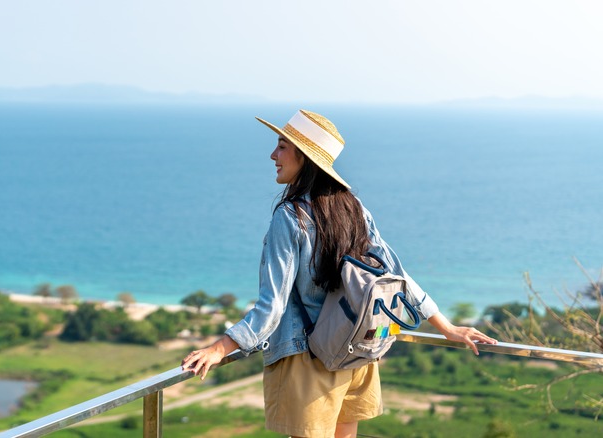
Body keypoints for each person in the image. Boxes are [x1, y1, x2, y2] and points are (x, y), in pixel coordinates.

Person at [181, 110, 497, 438]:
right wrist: (446, 327)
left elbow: (271, 307)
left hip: (308, 362)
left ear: (304, 157)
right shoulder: (353, 208)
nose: (273, 155)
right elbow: (397, 277)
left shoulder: (290, 217)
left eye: (282, 146)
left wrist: (219, 349)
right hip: (356, 352)